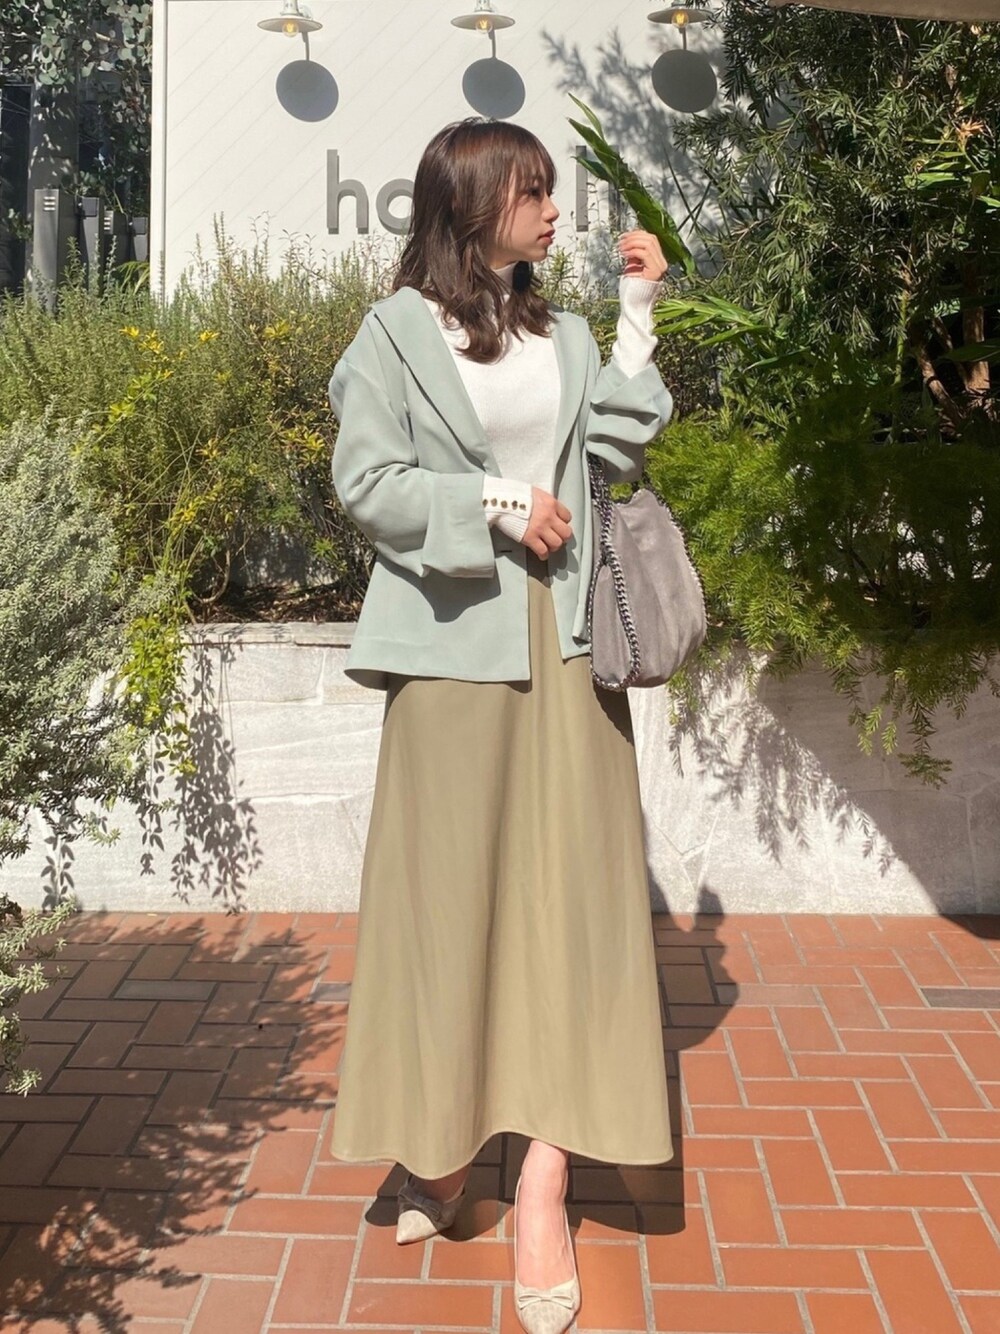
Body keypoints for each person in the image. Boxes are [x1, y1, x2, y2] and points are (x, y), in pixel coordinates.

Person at [327, 116, 673, 1334]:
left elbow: (618, 441)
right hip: (448, 652)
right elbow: (367, 484)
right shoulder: (391, 336)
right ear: (472, 207)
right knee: (447, 910)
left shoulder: (561, 334)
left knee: (570, 914)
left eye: (550, 193)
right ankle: (441, 1146)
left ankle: (541, 1184)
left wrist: (636, 313)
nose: (553, 212)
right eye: (532, 193)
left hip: (567, 645)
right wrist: (495, 501)